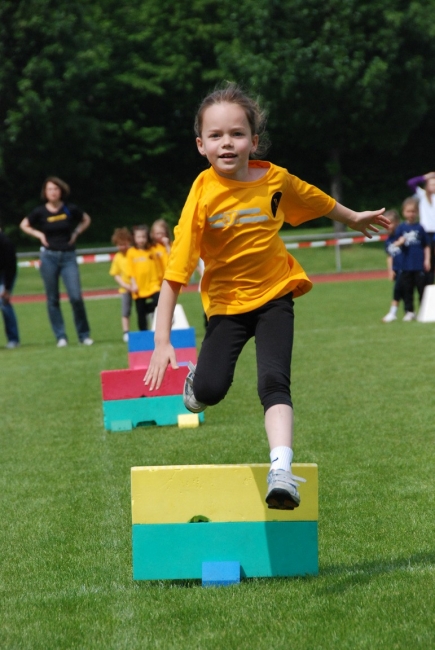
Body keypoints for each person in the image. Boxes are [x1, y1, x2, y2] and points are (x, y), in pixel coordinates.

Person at [144, 83, 389, 510]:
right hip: (225, 307)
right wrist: (162, 340)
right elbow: (175, 273)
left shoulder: (274, 179)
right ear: (201, 145)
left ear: (253, 141)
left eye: (237, 134)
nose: (227, 143)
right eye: (216, 136)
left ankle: (281, 470)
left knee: (274, 381)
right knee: (211, 389)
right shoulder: (201, 195)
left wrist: (352, 218)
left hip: (276, 293)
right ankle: (197, 382)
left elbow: (314, 197)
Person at [20, 177, 93, 347]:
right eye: (49, 189)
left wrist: (76, 234)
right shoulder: (40, 212)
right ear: (45, 193)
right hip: (49, 257)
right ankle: (61, 336)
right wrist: (40, 235)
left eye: (56, 189)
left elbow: (86, 219)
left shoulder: (69, 209)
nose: (53, 192)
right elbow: (24, 224)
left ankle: (84, 335)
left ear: (61, 191)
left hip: (68, 256)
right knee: (52, 299)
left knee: (75, 297)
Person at [392, 197, 430, 321]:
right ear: (403, 212)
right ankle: (409, 311)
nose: (411, 214)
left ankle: (424, 311)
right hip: (406, 265)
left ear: (417, 212)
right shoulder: (401, 229)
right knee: (407, 290)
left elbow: (426, 245)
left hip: (418, 264)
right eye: (408, 211)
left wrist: (427, 260)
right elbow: (394, 245)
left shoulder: (420, 228)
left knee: (422, 290)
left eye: (413, 211)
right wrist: (400, 242)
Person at [126, 225, 166, 331]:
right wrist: (133, 283)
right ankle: (143, 333)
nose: (141, 240)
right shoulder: (131, 252)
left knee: (159, 301)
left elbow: (161, 263)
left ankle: (150, 310)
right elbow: (130, 271)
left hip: (153, 284)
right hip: (139, 287)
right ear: (134, 238)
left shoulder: (152, 250)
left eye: (143, 237)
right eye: (138, 237)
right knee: (140, 313)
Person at [407, 171, 435, 284]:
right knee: (425, 260)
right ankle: (425, 284)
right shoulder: (422, 195)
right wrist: (425, 177)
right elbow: (410, 183)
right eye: (432, 184)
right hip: (425, 231)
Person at [109, 227, 134, 342]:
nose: (122, 247)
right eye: (119, 245)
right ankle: (126, 332)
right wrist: (125, 285)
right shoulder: (117, 258)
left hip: (139, 287)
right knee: (125, 311)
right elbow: (115, 274)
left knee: (143, 310)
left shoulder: (133, 253)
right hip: (125, 289)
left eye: (124, 244)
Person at [381, 210, 404, 322]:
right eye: (385, 224)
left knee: (401, 290)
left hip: (407, 268)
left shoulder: (402, 236)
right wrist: (390, 270)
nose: (387, 226)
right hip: (397, 269)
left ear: (397, 222)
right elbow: (389, 256)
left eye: (390, 223)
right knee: (398, 290)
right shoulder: (388, 240)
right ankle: (395, 312)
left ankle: (394, 312)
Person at [0, 223, 20, 349]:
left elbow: (11, 268)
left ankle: (13, 339)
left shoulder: (6, 243)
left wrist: (7, 289)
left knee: (3, 302)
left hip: (4, 274)